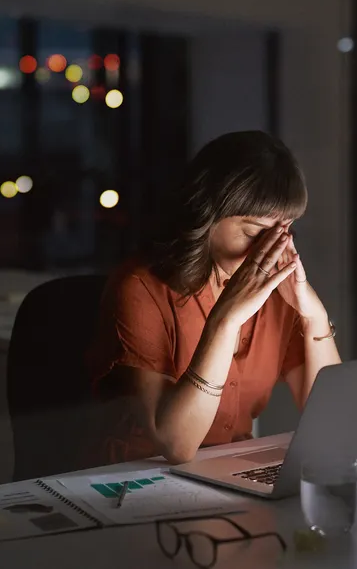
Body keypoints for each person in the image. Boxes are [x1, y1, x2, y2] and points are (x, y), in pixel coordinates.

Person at [84, 131, 341, 465]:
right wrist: (227, 319)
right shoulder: (139, 288)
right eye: (254, 232)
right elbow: (176, 444)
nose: (271, 248)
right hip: (133, 482)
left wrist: (314, 316)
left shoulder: (278, 295)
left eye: (284, 231)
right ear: (207, 215)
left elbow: (333, 421)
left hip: (226, 473)